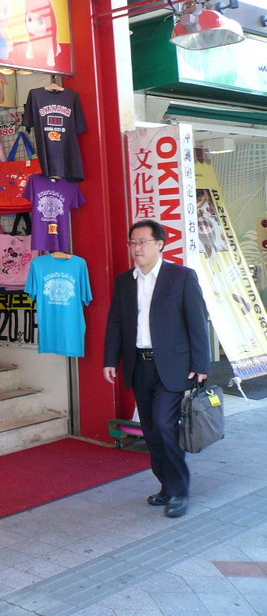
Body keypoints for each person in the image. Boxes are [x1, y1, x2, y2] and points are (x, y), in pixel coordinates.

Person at [103, 219, 210, 518]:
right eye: (132, 242)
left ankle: (179, 490)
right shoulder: (125, 281)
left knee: (164, 426)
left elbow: (197, 321)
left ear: (159, 244)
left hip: (173, 366)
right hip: (139, 365)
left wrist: (201, 363)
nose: (136, 248)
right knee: (151, 431)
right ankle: (166, 486)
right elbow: (116, 322)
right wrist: (110, 359)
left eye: (142, 242)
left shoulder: (181, 277)